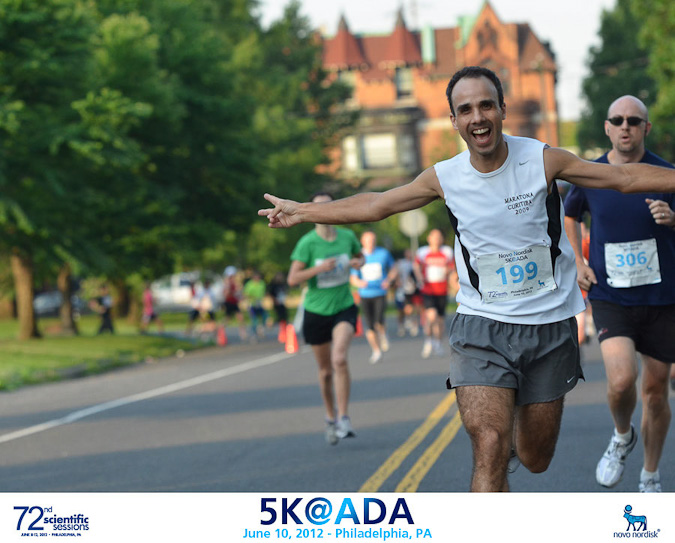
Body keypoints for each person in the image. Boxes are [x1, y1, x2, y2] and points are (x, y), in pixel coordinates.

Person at [259, 66, 675, 491]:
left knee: (535, 457)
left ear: (502, 110)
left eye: (486, 105)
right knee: (489, 444)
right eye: (465, 110)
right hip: (481, 325)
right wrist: (303, 211)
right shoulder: (445, 177)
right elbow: (377, 204)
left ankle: (513, 426)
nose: (478, 117)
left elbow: (623, 178)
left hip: (548, 325)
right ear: (454, 120)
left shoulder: (542, 159)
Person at [563, 95, 675, 493]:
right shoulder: (591, 174)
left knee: (656, 393)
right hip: (611, 295)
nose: (625, 125)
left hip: (663, 299)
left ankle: (650, 475)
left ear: (646, 128)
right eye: (618, 119)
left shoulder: (666, 174)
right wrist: (578, 261)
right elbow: (570, 215)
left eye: (634, 120)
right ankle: (622, 434)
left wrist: (673, 219)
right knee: (623, 379)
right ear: (607, 128)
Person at [287, 191, 364, 445]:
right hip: (316, 311)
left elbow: (360, 256)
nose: (324, 212)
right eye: (318, 207)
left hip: (343, 306)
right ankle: (330, 416)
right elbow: (292, 278)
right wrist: (319, 268)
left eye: (328, 206)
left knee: (339, 358)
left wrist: (357, 262)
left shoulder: (347, 236)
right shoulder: (307, 243)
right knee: (325, 371)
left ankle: (344, 417)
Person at [350, 231, 396, 364]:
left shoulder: (383, 253)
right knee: (369, 325)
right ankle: (376, 351)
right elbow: (353, 277)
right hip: (365, 294)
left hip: (380, 293)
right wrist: (359, 283)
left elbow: (394, 268)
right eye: (368, 240)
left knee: (379, 320)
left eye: (373, 240)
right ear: (362, 241)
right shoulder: (358, 256)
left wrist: (389, 280)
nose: (371, 242)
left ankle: (383, 334)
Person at [414, 229, 456, 358]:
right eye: (434, 237)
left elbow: (452, 268)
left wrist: (449, 273)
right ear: (429, 238)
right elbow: (416, 266)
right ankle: (428, 340)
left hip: (442, 290)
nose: (437, 240)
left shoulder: (447, 252)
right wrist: (419, 277)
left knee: (440, 320)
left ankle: (437, 342)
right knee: (431, 316)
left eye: (439, 237)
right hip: (428, 289)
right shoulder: (422, 252)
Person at [394, 249, 422, 338]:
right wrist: (397, 281)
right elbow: (396, 273)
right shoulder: (401, 263)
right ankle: (402, 325)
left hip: (414, 289)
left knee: (415, 308)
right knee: (401, 309)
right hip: (403, 289)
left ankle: (414, 324)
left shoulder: (416, 263)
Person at [223, 266, 248, 341]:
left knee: (240, 318)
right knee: (227, 319)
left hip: (234, 303)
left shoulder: (234, 283)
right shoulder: (227, 283)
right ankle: (220, 332)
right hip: (229, 303)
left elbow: (238, 292)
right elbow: (226, 294)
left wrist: (241, 296)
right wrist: (234, 293)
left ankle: (243, 333)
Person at [243, 270, 267, 340]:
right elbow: (245, 294)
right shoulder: (250, 284)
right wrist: (249, 300)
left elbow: (263, 293)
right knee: (254, 320)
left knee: (264, 317)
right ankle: (253, 334)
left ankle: (260, 329)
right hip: (252, 304)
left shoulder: (262, 283)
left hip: (259, 304)